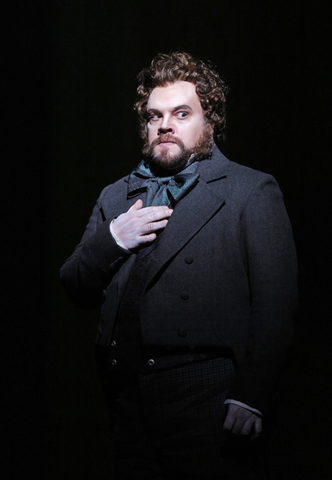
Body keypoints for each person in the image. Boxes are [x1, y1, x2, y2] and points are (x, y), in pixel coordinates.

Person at [60, 52, 298, 479]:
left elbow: (276, 303)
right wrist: (113, 239)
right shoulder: (117, 195)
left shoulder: (250, 189)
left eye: (181, 113)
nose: (165, 124)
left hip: (208, 396)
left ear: (210, 122)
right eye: (154, 116)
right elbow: (74, 285)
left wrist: (252, 395)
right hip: (124, 400)